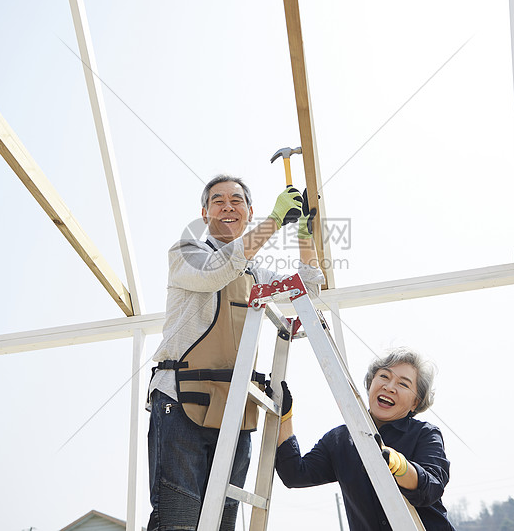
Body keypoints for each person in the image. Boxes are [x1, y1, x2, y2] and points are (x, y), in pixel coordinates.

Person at [147, 174, 324, 531]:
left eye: (237, 201)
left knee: (223, 522)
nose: (228, 207)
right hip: (181, 401)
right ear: (204, 212)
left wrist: (304, 233)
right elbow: (216, 273)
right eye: (218, 201)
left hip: (236, 407)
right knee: (178, 520)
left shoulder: (255, 272)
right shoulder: (186, 254)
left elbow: (308, 288)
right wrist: (274, 222)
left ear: (249, 211)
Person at [274, 348, 456, 531]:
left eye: (403, 384)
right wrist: (284, 417)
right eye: (384, 376)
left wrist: (400, 466)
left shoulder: (425, 434)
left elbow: (432, 487)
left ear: (415, 403)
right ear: (370, 383)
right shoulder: (340, 440)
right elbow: (294, 474)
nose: (389, 387)